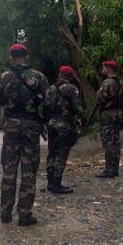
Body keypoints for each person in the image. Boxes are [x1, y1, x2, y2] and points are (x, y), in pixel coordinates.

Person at [0, 43, 49, 226]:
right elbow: (48, 101)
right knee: (28, 170)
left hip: (11, 126)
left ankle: (5, 214)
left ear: (11, 57)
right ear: (26, 56)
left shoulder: (4, 77)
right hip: (31, 126)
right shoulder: (38, 76)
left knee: (9, 169)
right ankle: (24, 215)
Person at [45, 66, 84, 194]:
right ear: (71, 76)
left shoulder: (51, 88)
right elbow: (78, 108)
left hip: (51, 123)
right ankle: (57, 184)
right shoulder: (72, 88)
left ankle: (50, 183)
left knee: (52, 152)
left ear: (59, 74)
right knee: (61, 153)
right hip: (64, 124)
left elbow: (45, 106)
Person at [95, 60, 123, 178]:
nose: (102, 70)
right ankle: (115, 168)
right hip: (118, 114)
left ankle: (109, 169)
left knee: (108, 142)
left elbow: (101, 99)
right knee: (116, 141)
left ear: (108, 68)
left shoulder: (107, 83)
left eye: (103, 67)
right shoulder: (121, 83)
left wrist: (98, 94)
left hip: (108, 114)